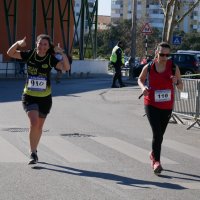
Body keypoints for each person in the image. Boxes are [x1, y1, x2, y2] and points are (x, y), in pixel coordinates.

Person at [7, 34, 70, 164]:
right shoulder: (29, 54)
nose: (42, 47)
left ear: (48, 47)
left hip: (45, 98)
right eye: (40, 44)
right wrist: (18, 43)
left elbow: (66, 68)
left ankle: (35, 150)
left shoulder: (50, 58)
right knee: (34, 122)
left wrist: (62, 53)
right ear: (36, 44)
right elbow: (10, 53)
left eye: (45, 44)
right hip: (29, 95)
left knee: (39, 127)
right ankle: (32, 152)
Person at [138, 42, 183, 174]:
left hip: (167, 105)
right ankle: (156, 162)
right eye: (162, 54)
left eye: (167, 55)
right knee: (157, 133)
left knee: (160, 135)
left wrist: (177, 82)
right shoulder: (150, 66)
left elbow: (181, 87)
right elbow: (140, 79)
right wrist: (143, 88)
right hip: (151, 103)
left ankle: (153, 153)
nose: (164, 57)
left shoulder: (174, 67)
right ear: (157, 53)